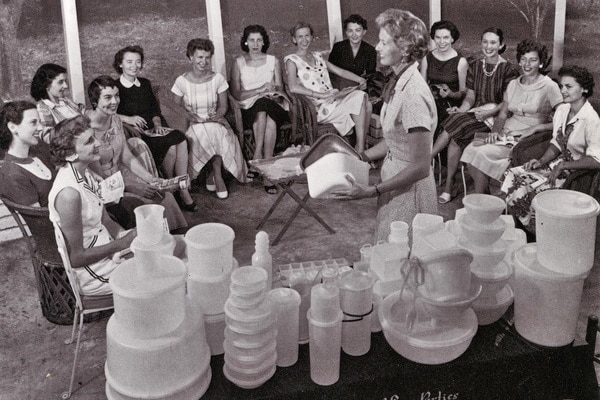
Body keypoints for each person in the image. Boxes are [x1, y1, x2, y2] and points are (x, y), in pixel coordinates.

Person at [331, 9, 438, 242]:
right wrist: (360, 157)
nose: (377, 47)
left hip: (411, 191)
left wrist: (372, 190)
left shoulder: (413, 95)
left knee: (404, 256)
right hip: (395, 181)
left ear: (405, 48)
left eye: (383, 42)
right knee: (391, 253)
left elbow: (420, 166)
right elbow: (394, 141)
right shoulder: (399, 80)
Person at [502, 65, 600, 233]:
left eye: (569, 86)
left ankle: (540, 234)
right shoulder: (562, 110)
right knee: (515, 175)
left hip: (577, 172)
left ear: (583, 88)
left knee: (536, 190)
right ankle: (524, 230)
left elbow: (596, 160)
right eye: (561, 86)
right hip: (557, 164)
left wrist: (563, 166)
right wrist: (540, 161)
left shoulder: (591, 119)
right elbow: (557, 143)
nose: (563, 91)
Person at [48, 115, 137, 296]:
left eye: (93, 137)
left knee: (159, 255)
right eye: (89, 141)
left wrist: (129, 239)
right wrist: (121, 244)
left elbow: (106, 220)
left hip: (108, 250)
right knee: (159, 277)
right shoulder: (68, 194)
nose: (97, 143)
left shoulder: (85, 173)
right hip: (93, 273)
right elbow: (76, 258)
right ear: (70, 154)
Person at [86, 76, 188, 231]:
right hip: (102, 188)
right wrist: (131, 187)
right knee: (148, 205)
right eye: (107, 97)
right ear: (94, 102)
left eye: (117, 95)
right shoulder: (86, 129)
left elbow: (126, 156)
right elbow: (97, 177)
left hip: (120, 176)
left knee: (164, 196)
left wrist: (152, 179)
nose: (115, 102)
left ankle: (171, 241)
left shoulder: (115, 119)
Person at [432, 27, 520, 204]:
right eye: (485, 42)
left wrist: (489, 112)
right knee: (457, 125)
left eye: (493, 42)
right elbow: (471, 97)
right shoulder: (475, 66)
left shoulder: (509, 70)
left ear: (501, 44)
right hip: (475, 114)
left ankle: (440, 174)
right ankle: (449, 184)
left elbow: (506, 103)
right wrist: (463, 109)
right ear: (481, 43)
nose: (488, 46)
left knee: (456, 129)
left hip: (496, 119)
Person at [461, 39, 562, 194]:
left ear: (540, 63)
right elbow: (502, 114)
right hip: (506, 132)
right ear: (519, 61)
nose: (527, 64)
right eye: (523, 59)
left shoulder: (549, 86)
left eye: (533, 60)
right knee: (471, 149)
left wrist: (538, 127)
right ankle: (485, 197)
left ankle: (481, 199)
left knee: (480, 153)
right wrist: (494, 132)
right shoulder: (514, 84)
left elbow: (564, 119)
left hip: (529, 140)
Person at [113, 45, 197, 211]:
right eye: (129, 62)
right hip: (135, 134)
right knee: (171, 147)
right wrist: (128, 118)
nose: (134, 66)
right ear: (120, 64)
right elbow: (110, 113)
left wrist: (158, 125)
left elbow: (154, 110)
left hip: (154, 129)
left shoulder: (144, 83)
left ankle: (182, 188)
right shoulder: (115, 87)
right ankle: (172, 189)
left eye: (138, 62)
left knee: (180, 139)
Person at [172, 38, 248, 199]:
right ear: (190, 57)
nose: (203, 61)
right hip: (193, 123)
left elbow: (223, 107)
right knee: (208, 133)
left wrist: (217, 116)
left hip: (215, 120)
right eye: (199, 57)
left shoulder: (217, 79)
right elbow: (176, 106)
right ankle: (214, 175)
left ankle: (217, 174)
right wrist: (189, 115)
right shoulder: (182, 81)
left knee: (215, 131)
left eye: (207, 57)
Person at [284, 22, 371, 153]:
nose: (304, 40)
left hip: (333, 100)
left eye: (307, 35)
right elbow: (293, 87)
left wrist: (359, 79)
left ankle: (360, 147)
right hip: (318, 108)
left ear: (312, 37)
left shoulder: (318, 57)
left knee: (366, 103)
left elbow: (340, 71)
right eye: (300, 36)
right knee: (361, 99)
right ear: (294, 39)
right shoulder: (292, 60)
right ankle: (360, 148)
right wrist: (321, 95)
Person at [229, 25, 290, 194]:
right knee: (263, 112)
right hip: (248, 107)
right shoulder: (238, 62)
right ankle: (267, 173)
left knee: (264, 105)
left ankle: (257, 157)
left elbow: (280, 89)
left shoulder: (273, 60)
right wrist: (259, 90)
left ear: (264, 42)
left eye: (259, 40)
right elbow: (236, 93)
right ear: (246, 42)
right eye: (251, 40)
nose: (255, 44)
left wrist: (273, 92)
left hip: (274, 104)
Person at [0, 101, 55, 206]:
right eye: (33, 122)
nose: (40, 128)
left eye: (40, 122)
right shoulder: (12, 174)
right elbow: (39, 220)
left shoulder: (40, 152)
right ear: (12, 127)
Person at [420, 20, 468, 136]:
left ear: (452, 39)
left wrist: (451, 94)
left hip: (451, 105)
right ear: (433, 38)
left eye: (446, 37)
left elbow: (463, 92)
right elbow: (421, 86)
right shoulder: (427, 58)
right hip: (432, 102)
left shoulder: (460, 62)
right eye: (438, 37)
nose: (441, 42)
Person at [30, 63, 85, 143]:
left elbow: (84, 115)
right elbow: (48, 138)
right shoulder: (42, 108)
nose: (65, 86)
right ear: (47, 85)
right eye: (60, 82)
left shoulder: (65, 101)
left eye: (65, 81)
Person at [328, 14, 377, 91]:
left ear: (364, 31)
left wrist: (364, 84)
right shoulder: (338, 47)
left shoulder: (370, 50)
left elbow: (370, 75)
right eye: (350, 31)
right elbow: (330, 71)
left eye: (358, 30)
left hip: (357, 87)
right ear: (346, 32)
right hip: (338, 87)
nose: (354, 34)